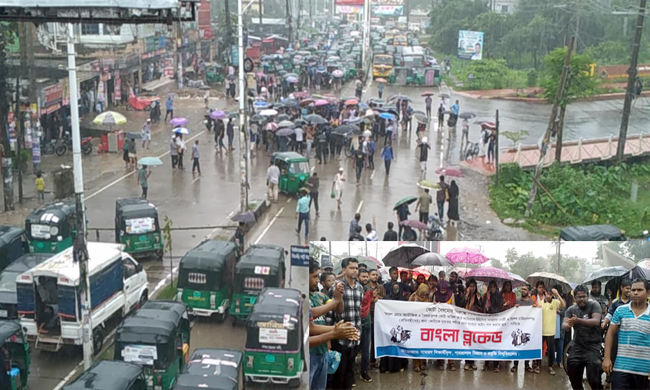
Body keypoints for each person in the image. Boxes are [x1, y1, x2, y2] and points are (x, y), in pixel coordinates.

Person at [603, 278, 650, 390]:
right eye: (633, 290)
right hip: (621, 368)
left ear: (648, 292)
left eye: (639, 290)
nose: (635, 293)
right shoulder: (620, 310)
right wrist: (607, 358)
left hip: (645, 370)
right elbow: (610, 334)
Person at [326, 258, 362, 390]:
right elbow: (330, 314)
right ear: (344, 270)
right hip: (339, 339)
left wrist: (359, 334)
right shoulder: (337, 288)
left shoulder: (360, 288)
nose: (355, 271)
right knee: (338, 376)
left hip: (354, 339)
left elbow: (358, 314)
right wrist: (329, 337)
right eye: (352, 268)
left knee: (350, 374)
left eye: (356, 268)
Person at [309, 259, 345, 390]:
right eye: (314, 277)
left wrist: (339, 297)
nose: (317, 280)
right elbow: (312, 314)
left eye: (318, 276)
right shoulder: (302, 297)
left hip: (322, 351)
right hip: (310, 353)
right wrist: (335, 331)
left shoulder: (319, 296)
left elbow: (339, 309)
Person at [562, 284, 603, 390]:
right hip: (577, 347)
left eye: (584, 296)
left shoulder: (594, 305)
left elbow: (596, 321)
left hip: (592, 347)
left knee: (594, 380)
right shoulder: (571, 309)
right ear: (574, 298)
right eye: (579, 297)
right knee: (574, 377)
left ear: (588, 296)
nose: (582, 299)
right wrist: (569, 324)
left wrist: (578, 321)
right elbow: (564, 325)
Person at [512, 284, 539, 373]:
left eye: (524, 289)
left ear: (529, 292)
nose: (522, 291)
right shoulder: (517, 300)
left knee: (527, 345)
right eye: (522, 289)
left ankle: (527, 365)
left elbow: (535, 313)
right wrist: (514, 308)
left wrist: (535, 308)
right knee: (517, 345)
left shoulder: (531, 302)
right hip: (518, 326)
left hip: (528, 327)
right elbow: (513, 313)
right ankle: (515, 365)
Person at [538, 287, 566, 375]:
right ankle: (538, 365)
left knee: (551, 350)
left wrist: (557, 295)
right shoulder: (540, 303)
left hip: (551, 331)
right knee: (540, 349)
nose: (549, 296)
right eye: (547, 294)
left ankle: (550, 366)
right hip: (541, 330)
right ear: (545, 293)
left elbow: (563, 305)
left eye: (551, 294)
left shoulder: (555, 303)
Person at [461, 278, 484, 371]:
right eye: (470, 286)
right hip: (466, 321)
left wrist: (479, 300)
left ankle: (473, 362)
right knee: (467, 341)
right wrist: (466, 295)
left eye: (474, 286)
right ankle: (467, 362)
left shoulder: (478, 295)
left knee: (474, 341)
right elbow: (461, 304)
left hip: (475, 322)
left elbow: (481, 307)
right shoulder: (465, 295)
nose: (472, 288)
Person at [408, 283, 430, 373]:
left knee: (423, 345)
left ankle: (422, 363)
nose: (424, 296)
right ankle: (416, 364)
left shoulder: (427, 299)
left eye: (426, 294)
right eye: (423, 294)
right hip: (414, 325)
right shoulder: (413, 297)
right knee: (415, 345)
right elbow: (407, 309)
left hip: (424, 325)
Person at [367, 269, 385, 368]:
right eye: (373, 274)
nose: (375, 276)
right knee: (366, 340)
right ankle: (366, 361)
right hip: (367, 315)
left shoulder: (381, 288)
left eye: (376, 275)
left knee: (376, 338)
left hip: (378, 317)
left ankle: (373, 360)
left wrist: (379, 298)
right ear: (369, 276)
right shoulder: (365, 288)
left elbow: (385, 300)